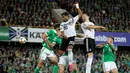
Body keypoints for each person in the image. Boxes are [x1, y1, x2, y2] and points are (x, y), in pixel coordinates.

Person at [60, 3, 82, 71]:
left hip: (71, 37)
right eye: (62, 17)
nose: (62, 18)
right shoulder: (62, 24)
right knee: (60, 53)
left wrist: (77, 7)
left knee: (70, 49)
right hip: (65, 38)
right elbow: (62, 32)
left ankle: (70, 65)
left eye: (63, 16)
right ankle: (64, 63)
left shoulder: (72, 20)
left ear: (67, 16)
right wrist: (64, 36)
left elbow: (80, 14)